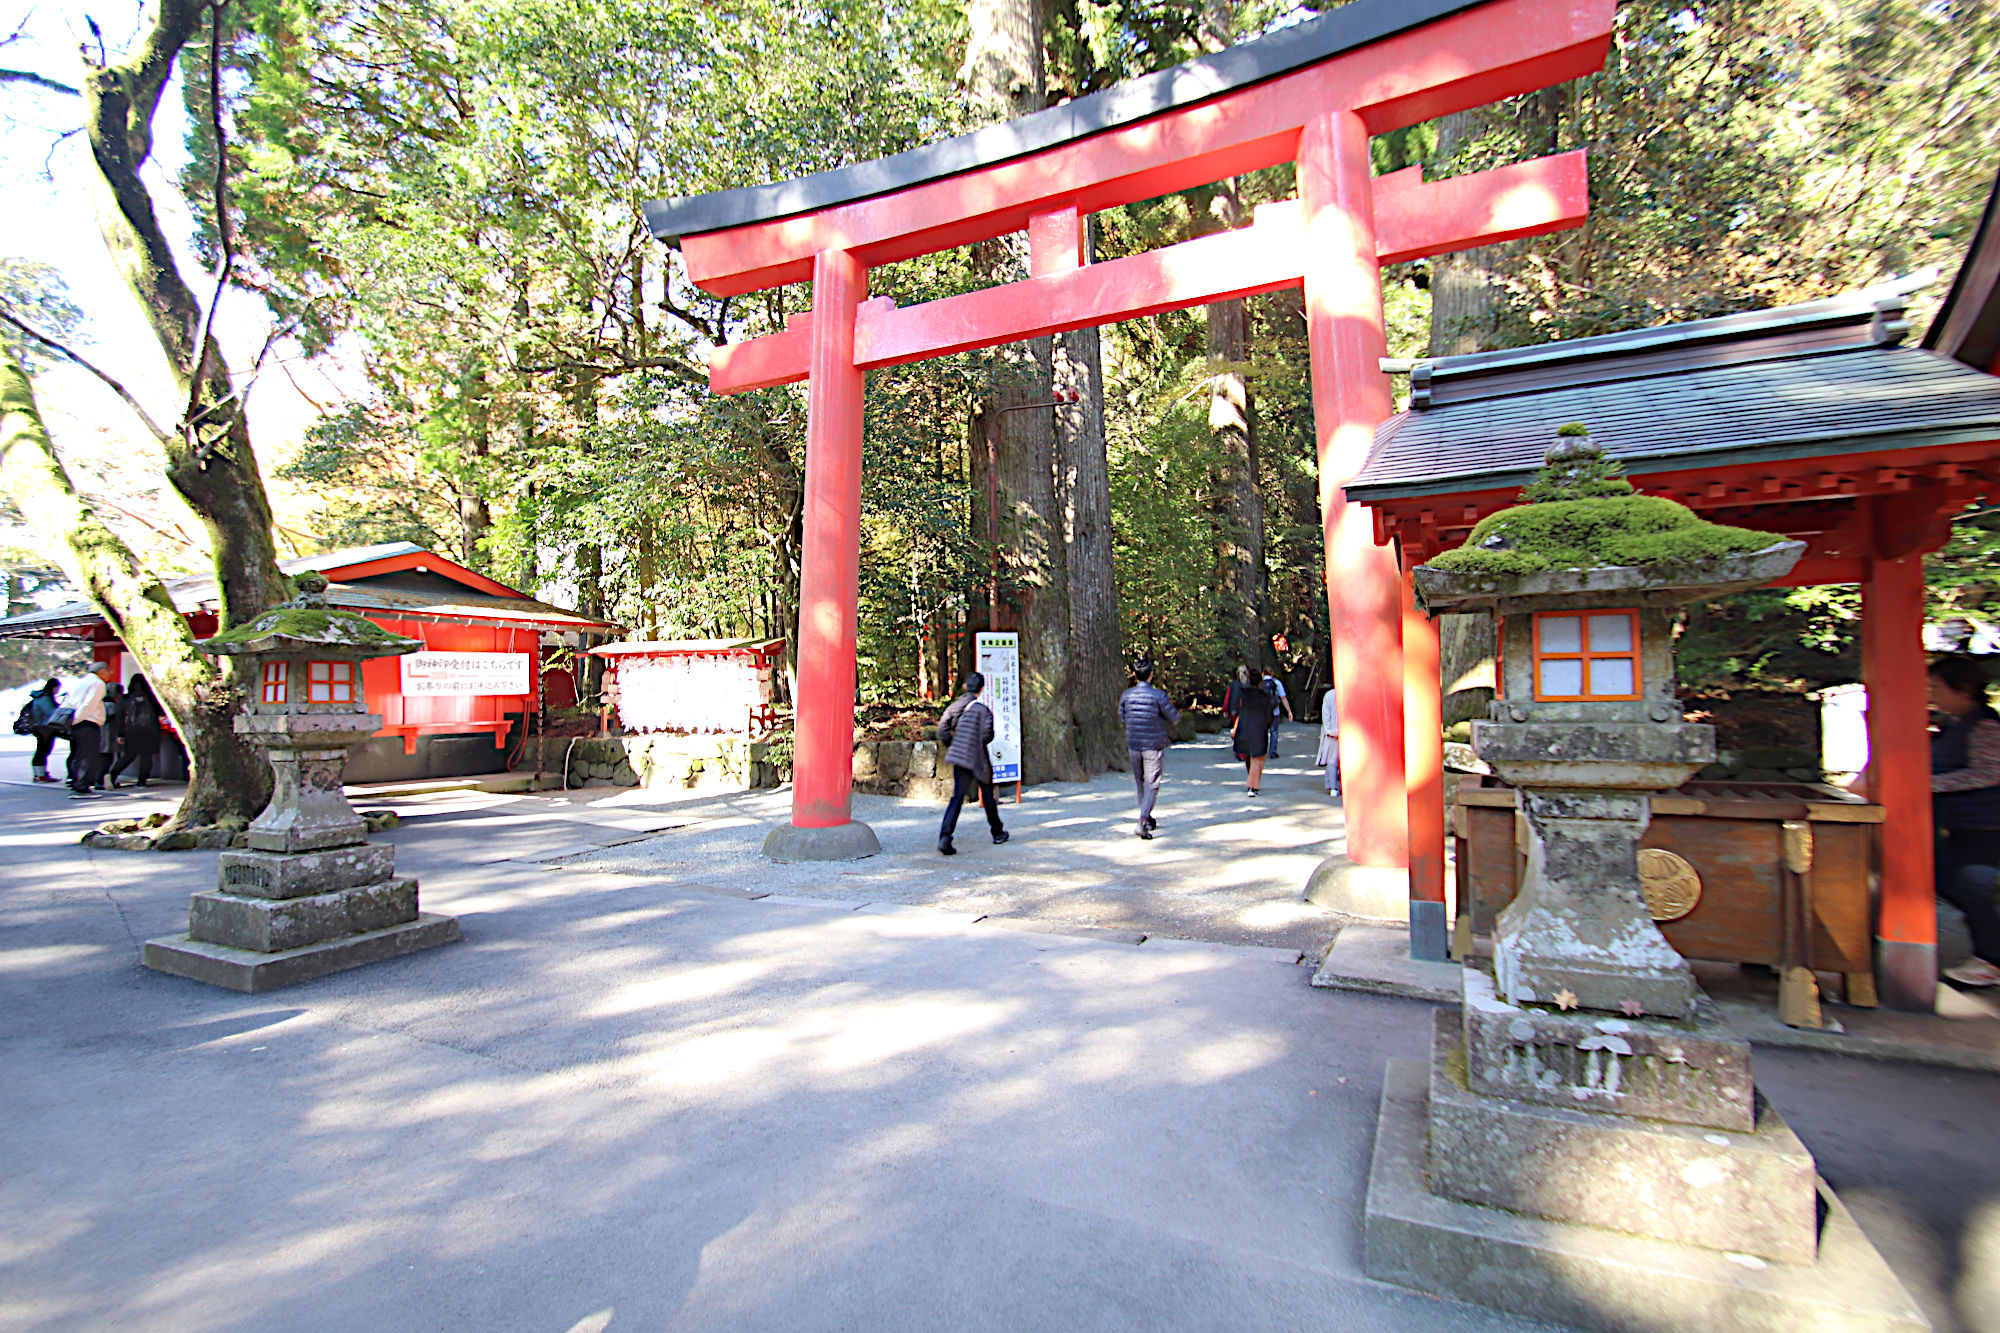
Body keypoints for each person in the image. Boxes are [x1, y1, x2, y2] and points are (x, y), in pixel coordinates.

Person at [1929, 656, 2000, 987]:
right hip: (1963, 824)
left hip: (1986, 825)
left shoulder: (1984, 726)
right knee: (1948, 883)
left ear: (1965, 688)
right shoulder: (1955, 725)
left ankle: (1991, 959)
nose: (1933, 693)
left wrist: (1931, 785)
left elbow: (1991, 771)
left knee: (1973, 884)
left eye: (1938, 687)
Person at [936, 671, 1008, 855]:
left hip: (960, 757)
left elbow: (943, 727)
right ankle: (997, 833)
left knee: (957, 797)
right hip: (978, 758)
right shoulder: (983, 710)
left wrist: (953, 743)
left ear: (965, 686)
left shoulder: (954, 707)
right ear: (982, 689)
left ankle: (945, 837)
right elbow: (988, 735)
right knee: (988, 795)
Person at [1118, 659, 1179, 839]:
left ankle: (1147, 817)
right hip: (1153, 745)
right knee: (1152, 784)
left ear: (1135, 675)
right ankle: (1142, 822)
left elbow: (1122, 716)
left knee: (1140, 783)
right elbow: (1173, 717)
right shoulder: (1158, 696)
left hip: (1134, 743)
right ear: (1151, 675)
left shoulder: (1127, 696)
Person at [65, 661, 114, 798]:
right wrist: (77, 719)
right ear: (102, 672)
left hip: (76, 723)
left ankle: (76, 783)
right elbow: (89, 704)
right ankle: (82, 787)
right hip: (87, 722)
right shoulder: (98, 683)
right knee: (88, 756)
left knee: (78, 755)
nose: (110, 674)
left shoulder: (82, 681)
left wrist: (71, 722)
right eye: (109, 671)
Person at [109, 674, 163, 788]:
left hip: (132, 731)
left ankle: (111, 775)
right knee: (147, 757)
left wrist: (120, 734)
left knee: (129, 755)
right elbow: (160, 712)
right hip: (150, 731)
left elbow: (119, 718)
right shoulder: (153, 698)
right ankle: (142, 781)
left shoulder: (125, 698)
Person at [1228, 664, 1274, 797]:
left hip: (1245, 726)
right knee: (1258, 758)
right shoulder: (1265, 696)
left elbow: (1237, 709)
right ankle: (1253, 786)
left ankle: (1252, 781)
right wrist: (1266, 725)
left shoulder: (1243, 694)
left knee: (1250, 756)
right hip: (1259, 727)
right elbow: (1269, 714)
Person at [20, 678, 63, 783]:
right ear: (53, 687)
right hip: (44, 728)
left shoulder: (41, 696)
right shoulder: (45, 698)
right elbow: (51, 713)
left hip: (40, 727)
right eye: (58, 688)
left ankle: (41, 774)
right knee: (42, 751)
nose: (58, 690)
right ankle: (40, 775)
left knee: (43, 750)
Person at [1261, 668, 1294, 759]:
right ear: (1272, 673)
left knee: (1262, 732)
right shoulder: (1277, 683)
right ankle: (1273, 753)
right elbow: (1283, 698)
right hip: (1275, 712)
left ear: (1263, 673)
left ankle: (1261, 751)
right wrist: (1289, 711)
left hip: (1262, 713)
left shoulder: (1259, 683)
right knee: (1274, 732)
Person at [1317, 686, 1341, 798]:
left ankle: (1333, 787)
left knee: (1332, 761)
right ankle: (1335, 786)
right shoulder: (1350, 693)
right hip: (1342, 733)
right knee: (1335, 761)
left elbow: (1326, 715)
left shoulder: (1330, 695)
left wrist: (1330, 731)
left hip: (1334, 733)